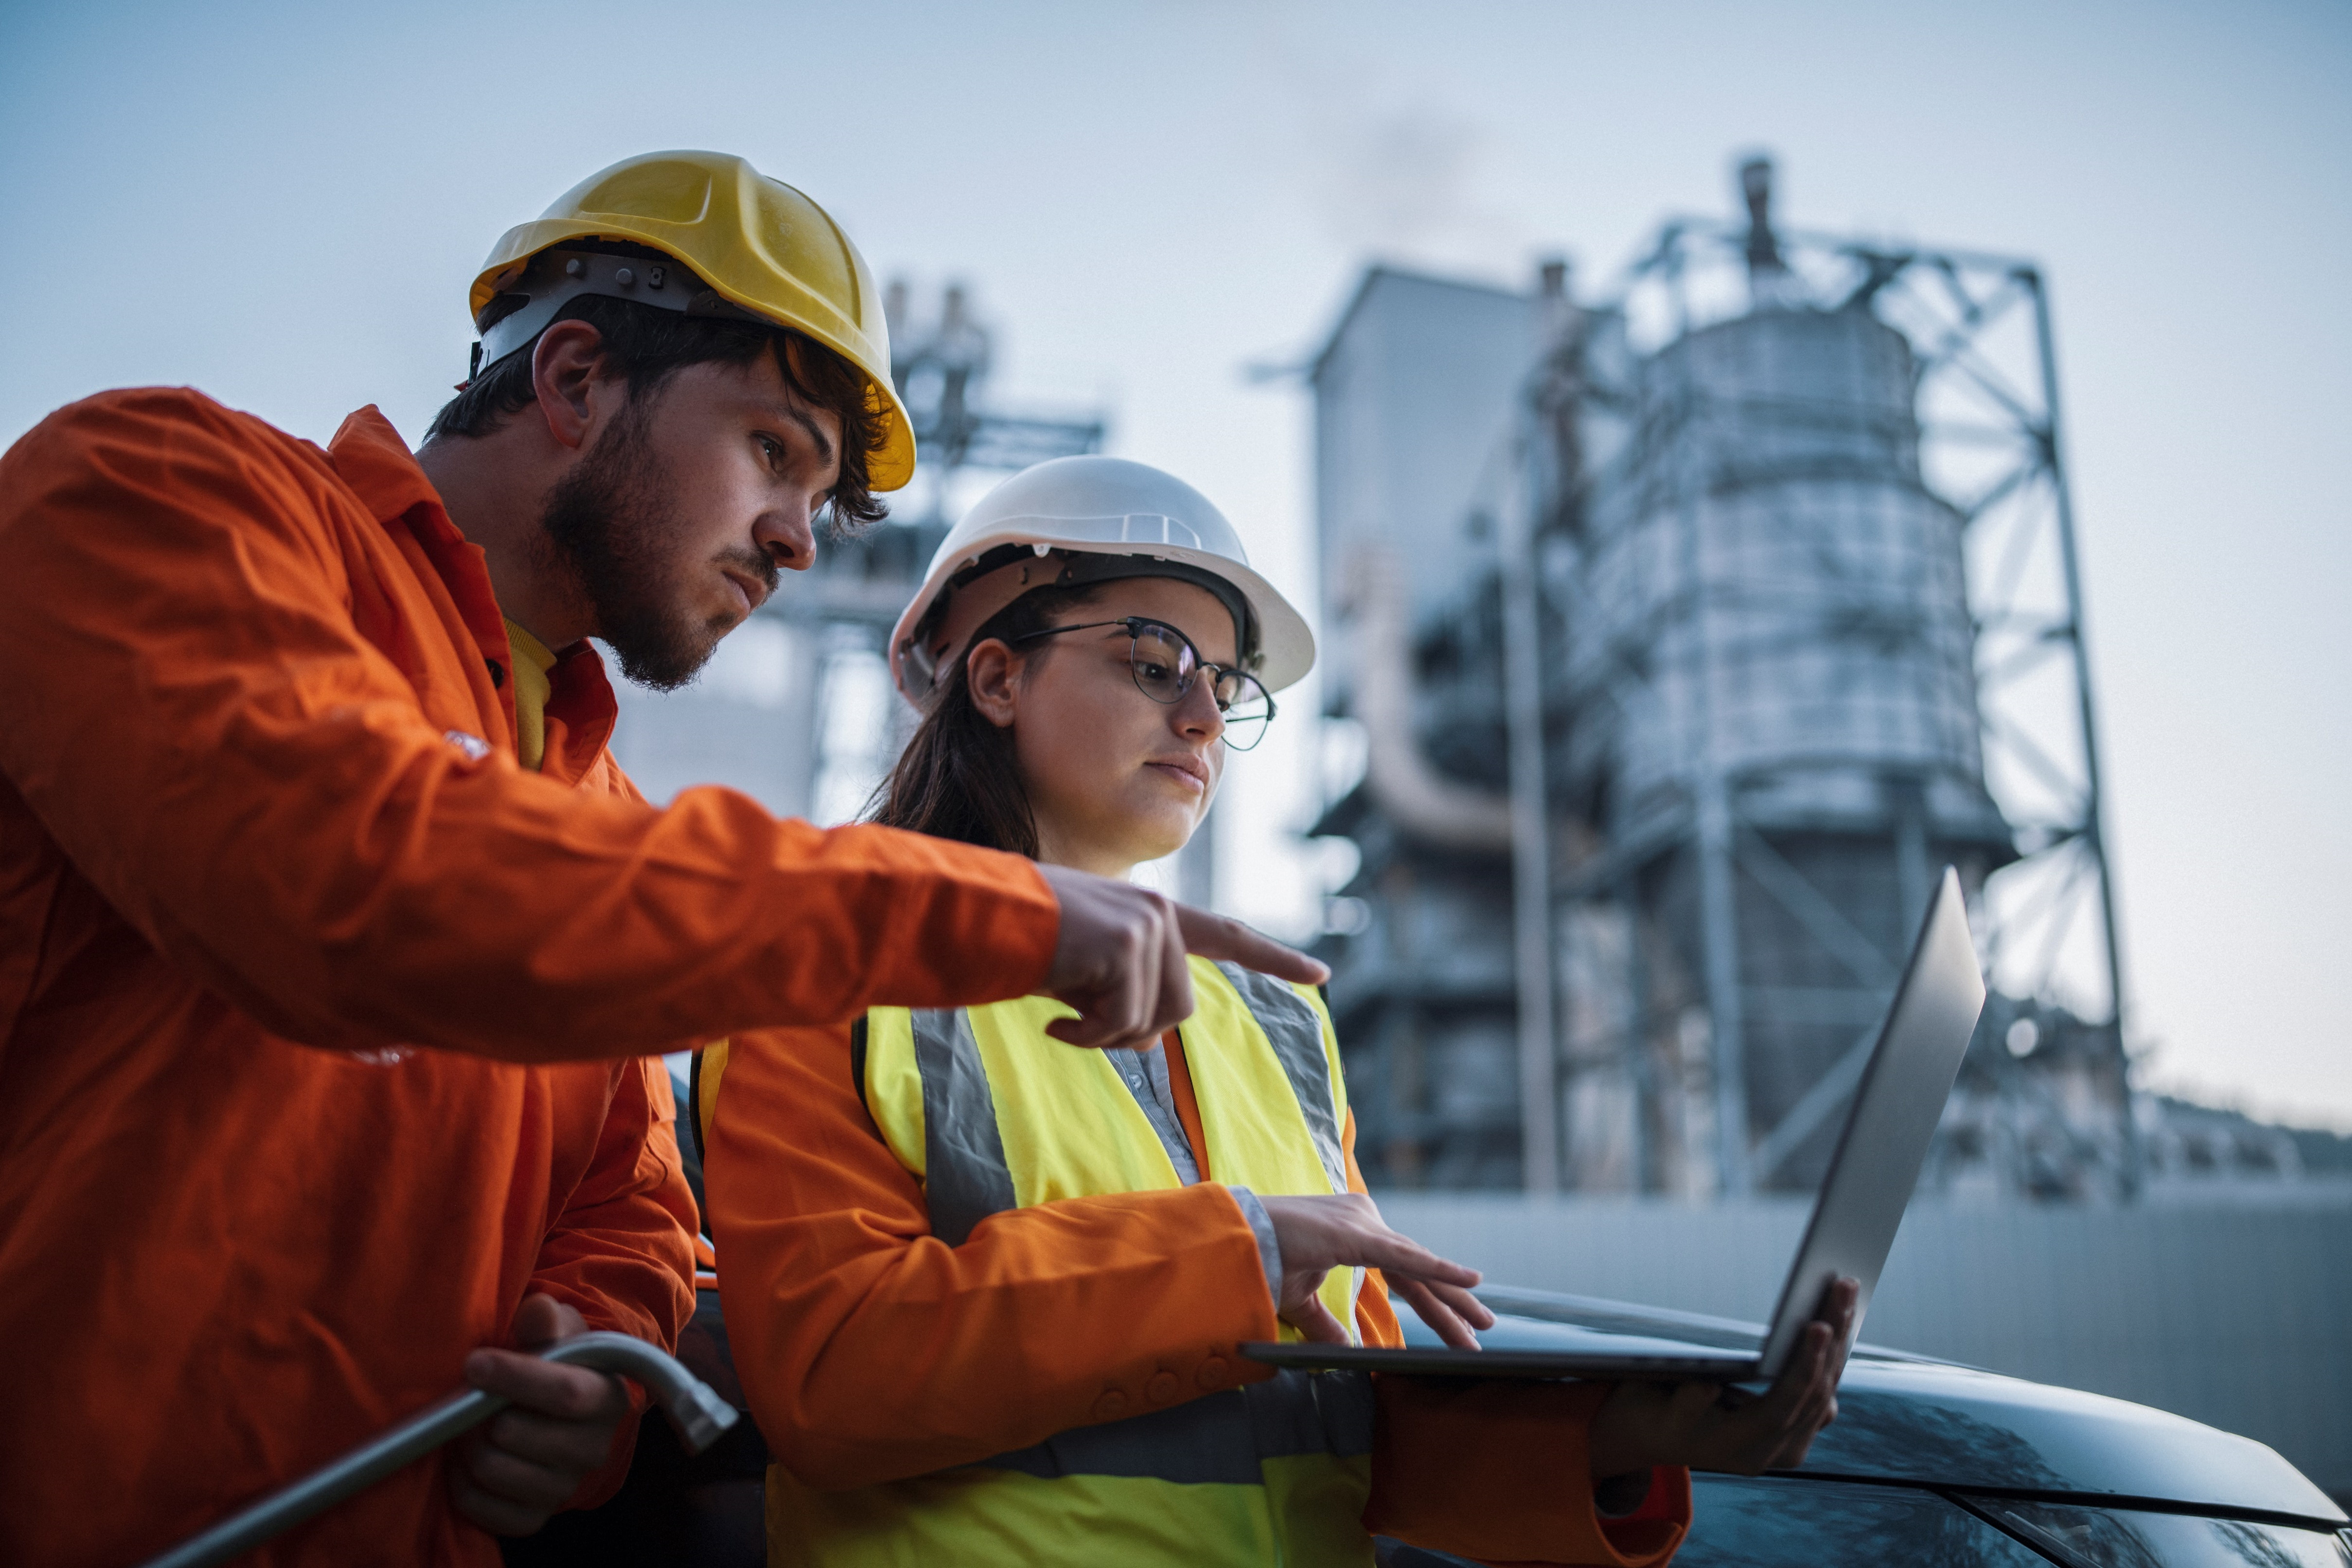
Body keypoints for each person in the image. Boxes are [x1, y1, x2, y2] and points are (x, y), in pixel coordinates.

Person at [0, 154, 1319, 1568]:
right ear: (573, 379)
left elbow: (629, 1203)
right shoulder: (158, 492)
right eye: (774, 452)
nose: (797, 541)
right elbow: (355, 881)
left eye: (816, 493)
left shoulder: (599, 803)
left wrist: (596, 1368)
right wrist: (985, 904)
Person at [699, 456, 1856, 1568]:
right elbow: (834, 1371)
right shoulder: (827, 961)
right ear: (997, 679)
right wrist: (1237, 1252)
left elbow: (1339, 1417)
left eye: (1224, 682)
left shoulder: (1273, 1024)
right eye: (1155, 663)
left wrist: (1624, 1446)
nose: (1205, 714)